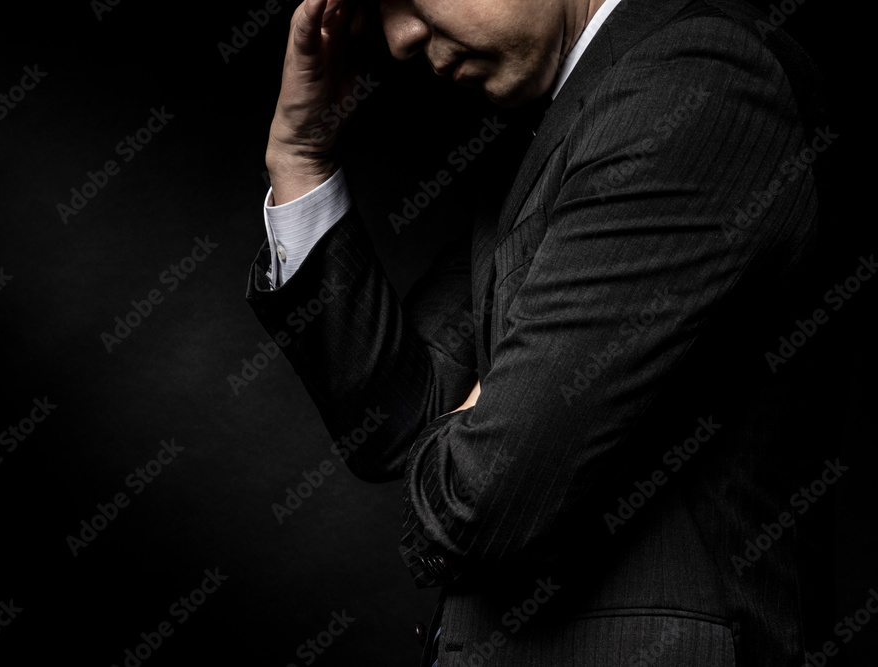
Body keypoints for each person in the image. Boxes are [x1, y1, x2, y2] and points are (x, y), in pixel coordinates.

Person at [246, 0, 839, 664]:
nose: (400, 39)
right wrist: (300, 156)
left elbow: (479, 502)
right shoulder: (561, 120)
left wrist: (486, 431)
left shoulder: (697, 84)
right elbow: (394, 422)